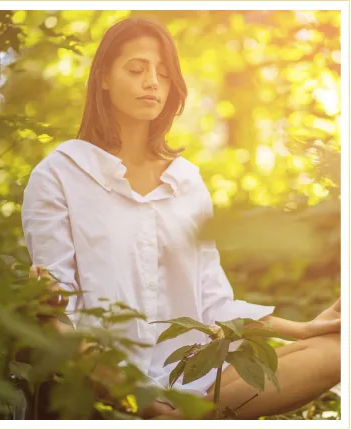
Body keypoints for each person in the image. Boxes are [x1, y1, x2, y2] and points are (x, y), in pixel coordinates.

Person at [21, 17, 341, 420]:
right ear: (103, 77)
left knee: (337, 351)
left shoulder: (185, 179)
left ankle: (182, 417)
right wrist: (132, 396)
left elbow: (213, 302)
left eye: (164, 74)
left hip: (199, 381)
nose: (152, 81)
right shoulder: (58, 174)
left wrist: (304, 328)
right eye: (136, 69)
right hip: (102, 381)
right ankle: (164, 416)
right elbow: (58, 317)